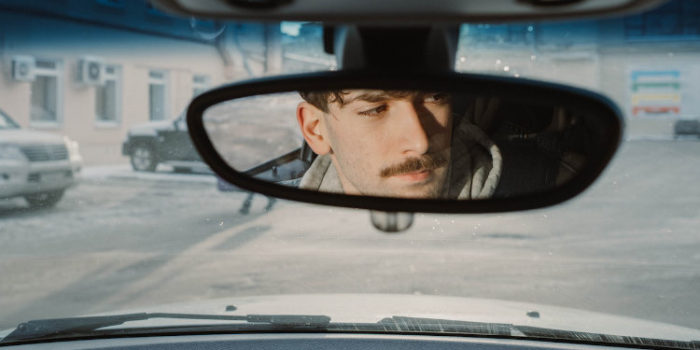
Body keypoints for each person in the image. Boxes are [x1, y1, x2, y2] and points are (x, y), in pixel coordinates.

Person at [295, 89, 502, 199]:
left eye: (435, 97)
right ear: (315, 130)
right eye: (375, 109)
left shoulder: (515, 195)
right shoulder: (280, 225)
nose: (420, 143)